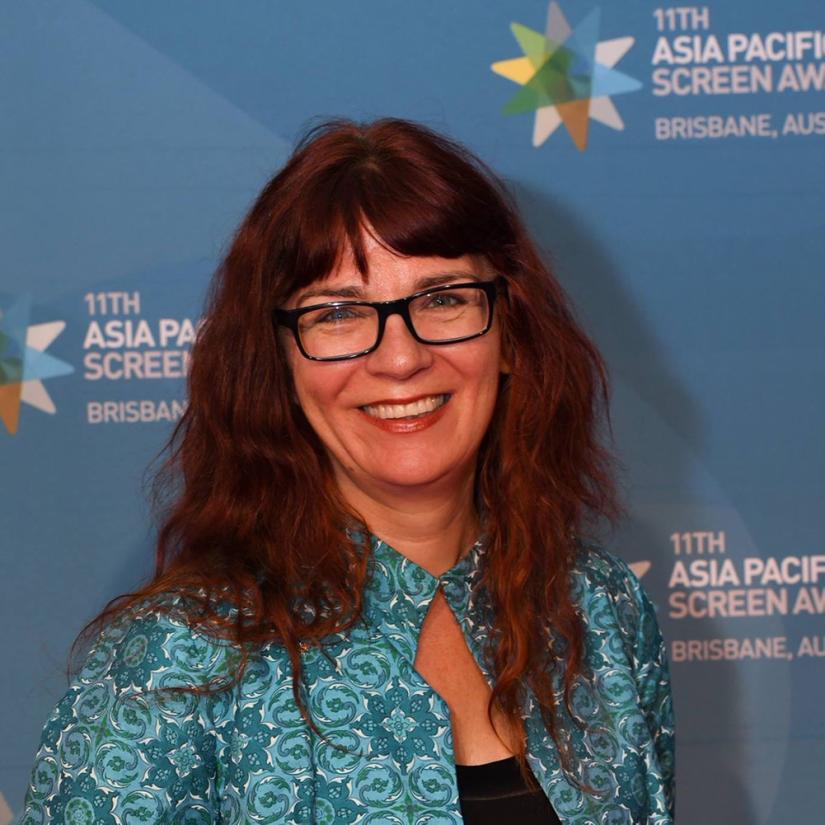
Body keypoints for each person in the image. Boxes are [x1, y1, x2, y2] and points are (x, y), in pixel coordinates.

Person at [20, 118, 674, 824]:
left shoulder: (597, 609)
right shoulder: (176, 658)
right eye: (337, 312)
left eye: (443, 298)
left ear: (509, 333)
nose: (399, 358)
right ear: (278, 361)